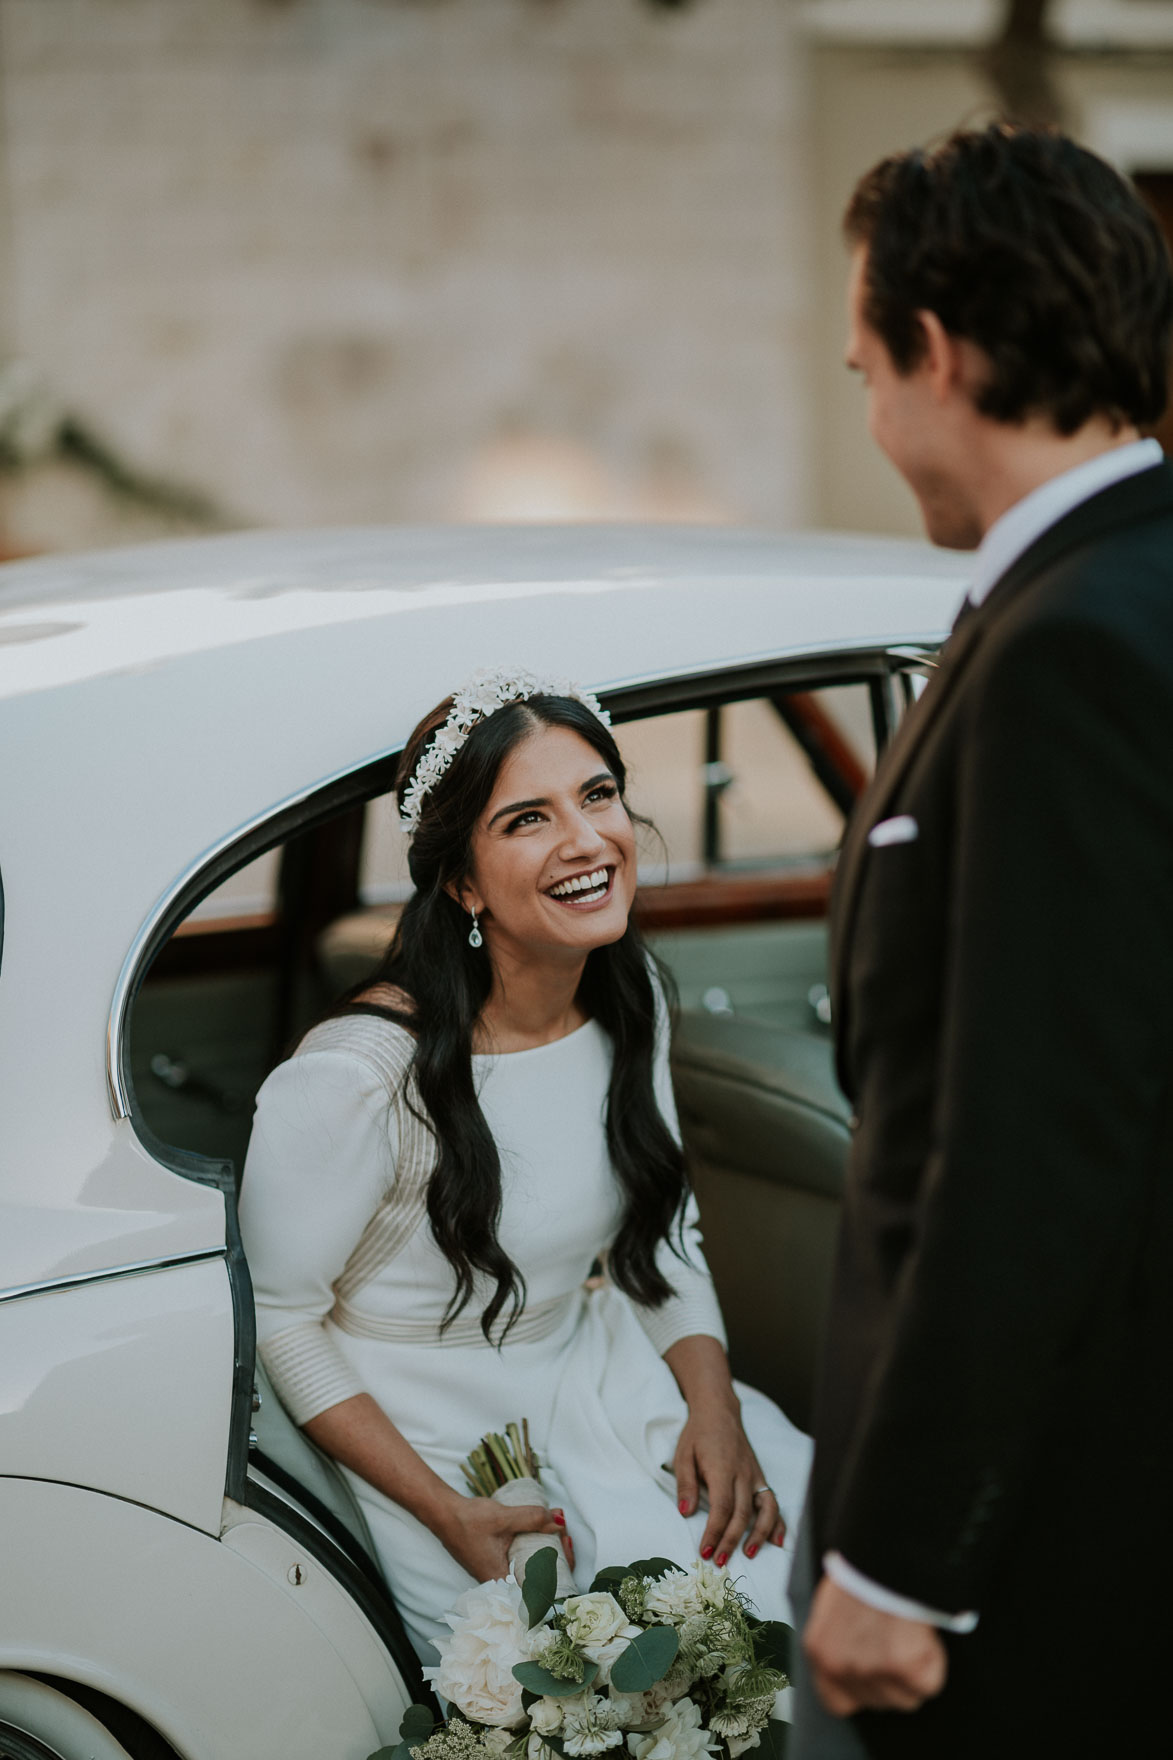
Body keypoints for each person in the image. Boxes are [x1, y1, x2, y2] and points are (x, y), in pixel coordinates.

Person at [790, 123, 1173, 1758]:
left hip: (1053, 1527)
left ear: (936, 355)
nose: (868, 410)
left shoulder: (1068, 646)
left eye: (866, 364)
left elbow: (1025, 1142)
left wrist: (897, 1557)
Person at [239, 670, 811, 1664]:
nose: (588, 839)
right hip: (421, 1428)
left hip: (597, 1362)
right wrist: (444, 1508)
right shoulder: (357, 1075)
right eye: (527, 818)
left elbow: (663, 1234)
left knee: (792, 1566)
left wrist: (713, 1408)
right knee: (599, 1672)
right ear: (461, 881)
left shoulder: (630, 1001)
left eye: (598, 794)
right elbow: (285, 1319)